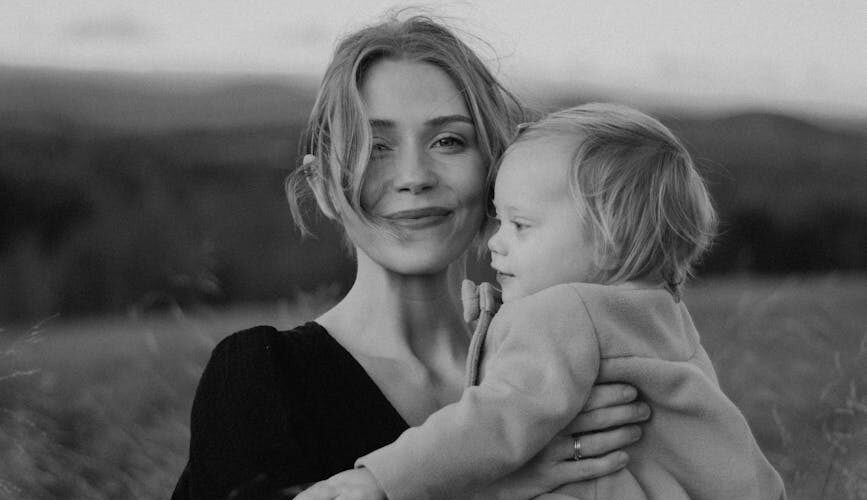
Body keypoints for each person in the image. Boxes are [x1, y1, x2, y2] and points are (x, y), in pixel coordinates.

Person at [171, 15, 651, 500]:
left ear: (498, 169)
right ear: (321, 186)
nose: (414, 176)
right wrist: (488, 486)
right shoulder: (266, 376)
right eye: (375, 146)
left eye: (448, 141)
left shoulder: (574, 360)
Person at [299, 104, 786, 500]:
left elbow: (492, 424)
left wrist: (381, 480)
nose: (496, 242)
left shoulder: (562, 314)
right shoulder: (662, 313)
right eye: (499, 220)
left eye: (521, 225)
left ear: (608, 240)